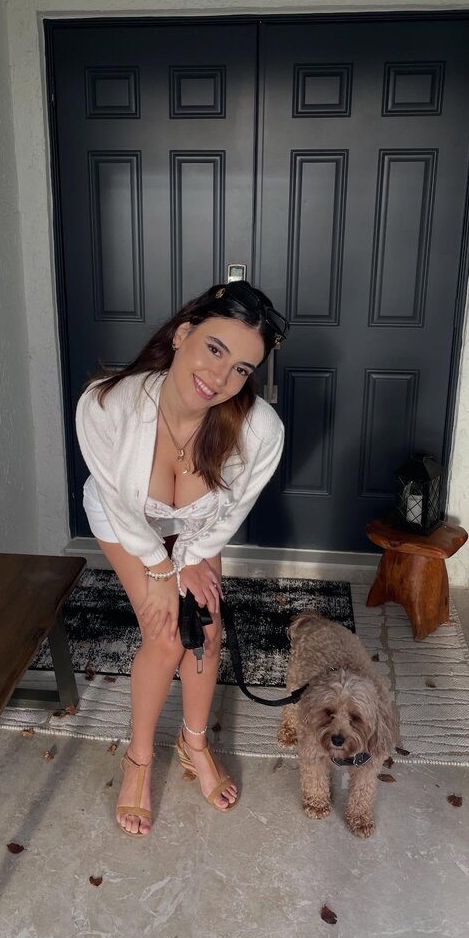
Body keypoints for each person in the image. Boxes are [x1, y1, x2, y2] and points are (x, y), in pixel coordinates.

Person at [75, 281, 288, 836]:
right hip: (126, 522)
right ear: (182, 333)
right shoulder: (105, 406)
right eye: (215, 348)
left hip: (198, 529)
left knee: (209, 628)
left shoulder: (259, 430)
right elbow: (118, 502)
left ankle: (195, 744)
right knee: (166, 634)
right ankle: (139, 759)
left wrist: (192, 555)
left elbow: (231, 511)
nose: (220, 377)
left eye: (241, 368)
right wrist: (161, 568)